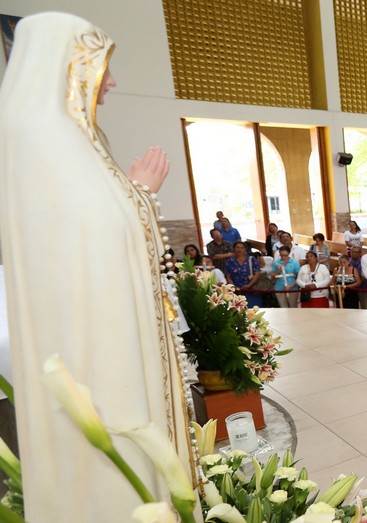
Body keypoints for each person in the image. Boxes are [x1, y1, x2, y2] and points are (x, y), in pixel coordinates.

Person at [0, 13, 193, 519]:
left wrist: (132, 195)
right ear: (72, 65)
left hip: (96, 327)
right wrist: (142, 192)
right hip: (90, 342)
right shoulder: (41, 136)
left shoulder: (68, 138)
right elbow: (95, 238)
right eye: (103, 66)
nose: (112, 81)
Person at [225, 241, 262, 307]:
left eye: (242, 248)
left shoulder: (252, 259)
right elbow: (228, 276)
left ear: (245, 249)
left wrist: (249, 285)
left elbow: (257, 273)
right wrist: (234, 287)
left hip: (251, 290)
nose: (239, 249)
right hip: (236, 292)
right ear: (234, 249)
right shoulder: (230, 261)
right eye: (237, 247)